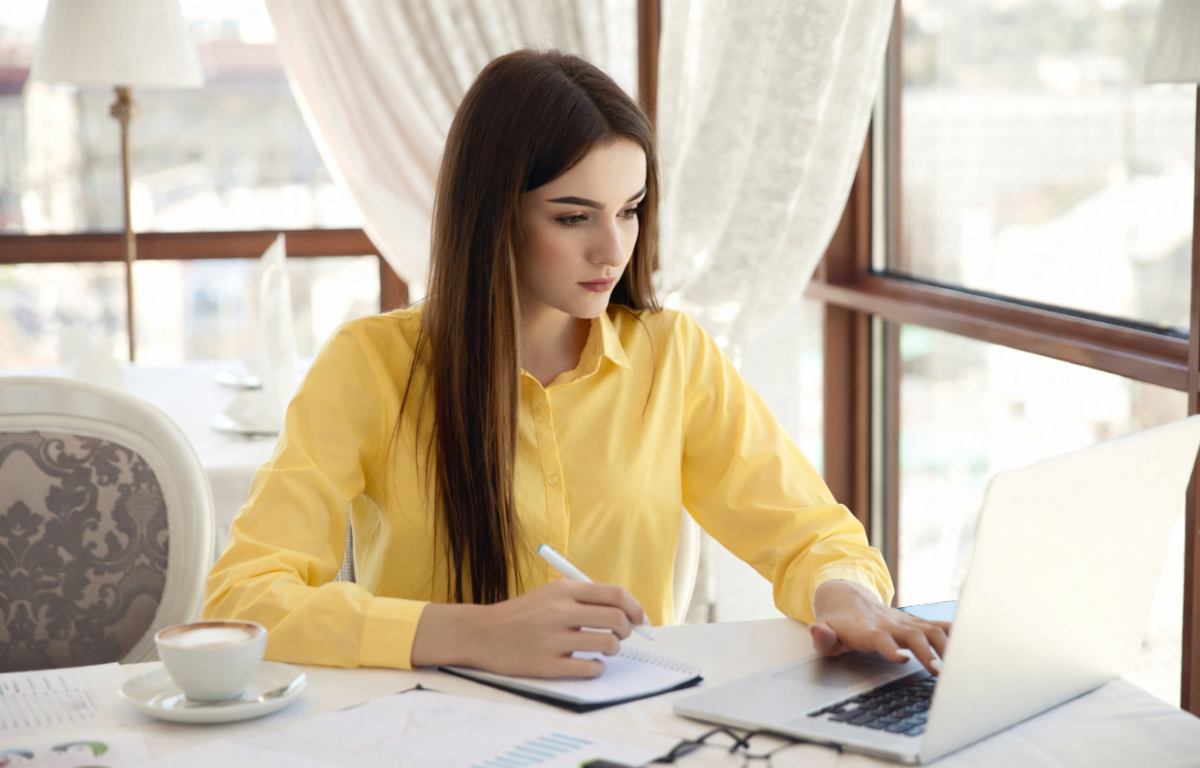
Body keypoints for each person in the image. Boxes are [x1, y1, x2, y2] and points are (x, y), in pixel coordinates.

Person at [204, 49, 949, 679]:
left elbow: (816, 537)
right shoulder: (369, 366)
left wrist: (842, 591)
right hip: (430, 738)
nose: (613, 249)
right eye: (573, 217)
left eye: (629, 209)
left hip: (630, 733)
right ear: (493, 213)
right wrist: (476, 633)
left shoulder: (674, 357)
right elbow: (241, 599)